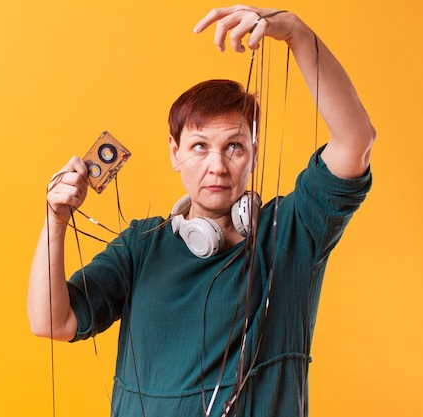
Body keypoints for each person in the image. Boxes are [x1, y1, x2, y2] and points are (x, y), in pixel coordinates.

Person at [27, 5, 375, 417]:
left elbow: (356, 141)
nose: (217, 166)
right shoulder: (141, 246)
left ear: (253, 154)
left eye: (234, 146)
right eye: (199, 147)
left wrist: (295, 32)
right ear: (175, 153)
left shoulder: (291, 232)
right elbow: (52, 322)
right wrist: (56, 220)